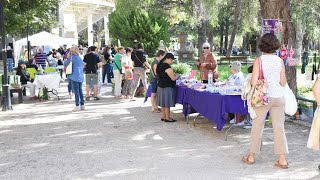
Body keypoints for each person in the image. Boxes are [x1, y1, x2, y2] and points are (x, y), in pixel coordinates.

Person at [242, 33, 288, 169]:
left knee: (257, 126)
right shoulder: (279, 60)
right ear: (275, 45)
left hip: (263, 97)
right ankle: (282, 159)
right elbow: (283, 81)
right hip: (279, 97)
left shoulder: (259, 60)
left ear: (262, 45)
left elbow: (254, 81)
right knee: (279, 128)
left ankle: (251, 157)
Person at [156, 53, 180, 123]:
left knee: (163, 103)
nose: (172, 61)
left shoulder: (159, 65)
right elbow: (173, 78)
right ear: (167, 59)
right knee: (167, 103)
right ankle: (167, 118)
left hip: (160, 85)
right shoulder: (167, 67)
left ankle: (163, 116)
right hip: (167, 86)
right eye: (171, 60)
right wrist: (177, 76)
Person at [64, 46, 85, 111]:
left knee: (76, 91)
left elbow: (65, 64)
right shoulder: (79, 57)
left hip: (74, 76)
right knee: (80, 90)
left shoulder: (71, 58)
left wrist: (67, 57)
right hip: (80, 76)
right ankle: (82, 105)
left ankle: (77, 105)